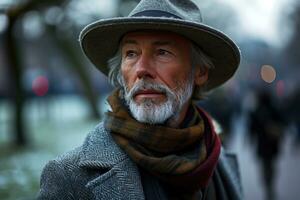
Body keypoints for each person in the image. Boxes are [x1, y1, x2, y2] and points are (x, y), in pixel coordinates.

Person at [38, 0, 242, 199]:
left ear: (200, 71)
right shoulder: (69, 177)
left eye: (162, 52)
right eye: (131, 53)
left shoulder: (221, 161)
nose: (142, 69)